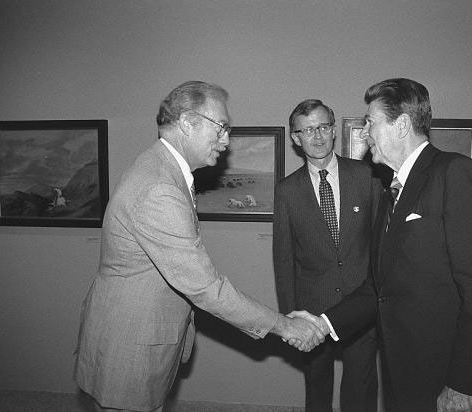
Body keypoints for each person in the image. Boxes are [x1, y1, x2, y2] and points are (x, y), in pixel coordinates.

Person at [74, 81, 324, 412]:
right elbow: (206, 288)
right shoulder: (159, 188)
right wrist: (285, 325)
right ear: (189, 122)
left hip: (137, 333)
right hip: (131, 345)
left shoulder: (160, 168)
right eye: (221, 127)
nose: (226, 140)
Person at [295, 78, 472, 411]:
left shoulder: (456, 174)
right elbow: (379, 287)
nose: (365, 133)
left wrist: (462, 383)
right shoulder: (392, 193)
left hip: (453, 377)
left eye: (371, 123)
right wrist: (323, 324)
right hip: (406, 374)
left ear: (401, 125)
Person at [273, 99, 382, 412]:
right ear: (296, 138)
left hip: (361, 306)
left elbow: (380, 246)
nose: (317, 136)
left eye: (322, 127)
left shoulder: (366, 176)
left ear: (334, 131)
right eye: (307, 130)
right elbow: (283, 259)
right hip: (312, 309)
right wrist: (290, 317)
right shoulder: (287, 190)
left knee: (360, 390)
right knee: (317, 391)